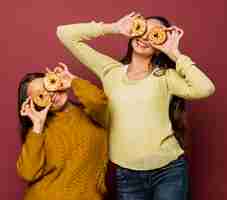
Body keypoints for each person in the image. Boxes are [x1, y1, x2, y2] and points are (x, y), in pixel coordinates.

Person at [56, 12, 215, 200]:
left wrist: (174, 53)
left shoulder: (165, 77)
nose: (145, 37)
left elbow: (206, 88)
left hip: (168, 172)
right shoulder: (110, 70)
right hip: (128, 175)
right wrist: (114, 27)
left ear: (159, 47)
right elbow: (64, 33)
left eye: (154, 34)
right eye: (142, 29)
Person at [17, 63, 109, 200]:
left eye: (48, 85)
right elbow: (28, 173)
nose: (51, 93)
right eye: (41, 95)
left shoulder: (91, 113)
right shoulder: (38, 131)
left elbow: (100, 102)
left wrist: (72, 81)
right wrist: (37, 126)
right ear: (33, 104)